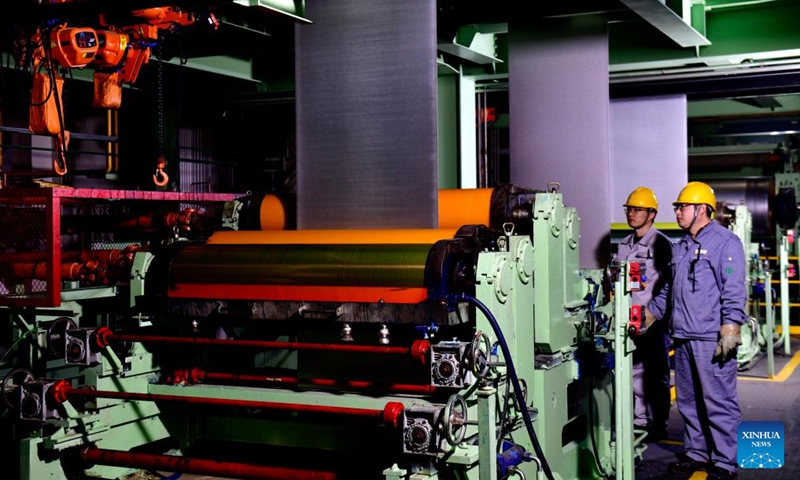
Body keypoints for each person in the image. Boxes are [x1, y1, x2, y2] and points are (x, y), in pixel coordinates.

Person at [647, 181, 746, 480]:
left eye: (683, 207)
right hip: (683, 336)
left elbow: (734, 288)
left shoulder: (725, 243)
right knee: (689, 401)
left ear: (702, 209)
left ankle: (725, 461)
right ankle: (697, 453)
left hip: (710, 338)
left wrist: (731, 327)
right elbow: (670, 290)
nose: (677, 212)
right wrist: (649, 313)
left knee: (718, 400)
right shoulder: (681, 246)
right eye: (677, 207)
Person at [617, 186, 672, 442]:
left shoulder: (662, 244)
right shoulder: (624, 245)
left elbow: (670, 285)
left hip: (652, 320)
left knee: (655, 374)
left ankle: (657, 423)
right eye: (629, 209)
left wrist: (655, 314)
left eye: (638, 209)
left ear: (651, 214)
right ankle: (639, 421)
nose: (632, 214)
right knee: (632, 372)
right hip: (629, 319)